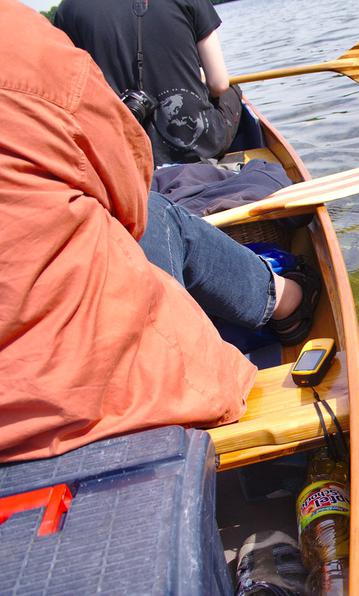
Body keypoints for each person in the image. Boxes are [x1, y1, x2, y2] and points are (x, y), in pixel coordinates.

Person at [0, 0, 317, 463]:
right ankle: (285, 299)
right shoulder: (22, 42)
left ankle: (278, 299)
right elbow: (218, 88)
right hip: (90, 391)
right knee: (156, 210)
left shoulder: (67, 12)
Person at [54, 0, 241, 166]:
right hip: (199, 143)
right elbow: (219, 84)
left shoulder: (68, 9)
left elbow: (70, 95)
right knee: (232, 90)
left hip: (122, 156)